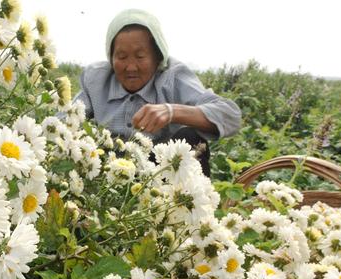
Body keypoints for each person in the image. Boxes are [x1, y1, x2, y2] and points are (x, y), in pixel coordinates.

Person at [73, 9, 241, 176]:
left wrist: (171, 111)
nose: (131, 67)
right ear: (111, 57)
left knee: (190, 138)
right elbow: (66, 121)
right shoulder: (96, 79)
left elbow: (230, 115)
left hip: (160, 177)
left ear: (158, 57)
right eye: (122, 57)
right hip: (104, 174)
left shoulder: (173, 78)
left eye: (140, 56)